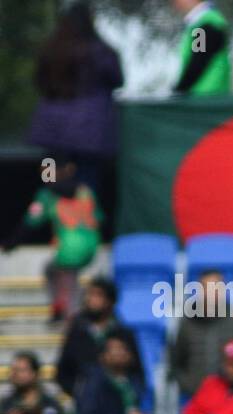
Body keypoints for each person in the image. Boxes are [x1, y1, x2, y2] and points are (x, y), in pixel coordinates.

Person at [28, 2, 123, 198]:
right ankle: (82, 226)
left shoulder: (50, 49)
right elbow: (117, 79)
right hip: (89, 132)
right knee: (86, 185)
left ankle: (50, 223)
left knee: (50, 182)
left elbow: (39, 81)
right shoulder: (99, 51)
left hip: (51, 130)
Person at [7, 158, 101, 328]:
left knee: (66, 280)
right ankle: (64, 312)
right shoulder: (85, 190)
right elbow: (100, 218)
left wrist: (11, 243)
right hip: (91, 245)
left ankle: (70, 318)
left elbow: (31, 222)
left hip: (69, 247)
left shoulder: (48, 193)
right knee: (56, 271)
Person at [168, 270, 233, 397]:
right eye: (207, 288)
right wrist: (188, 385)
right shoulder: (187, 323)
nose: (212, 293)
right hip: (196, 395)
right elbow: (176, 362)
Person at [57, 277, 141, 399]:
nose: (90, 299)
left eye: (97, 295)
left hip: (118, 404)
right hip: (87, 406)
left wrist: (130, 395)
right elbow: (63, 371)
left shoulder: (123, 334)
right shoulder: (76, 333)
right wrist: (79, 391)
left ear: (110, 301)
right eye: (89, 294)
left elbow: (137, 373)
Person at [171, 0, 232, 95]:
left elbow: (197, 63)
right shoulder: (201, 24)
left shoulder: (204, 25)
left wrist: (178, 90)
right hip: (204, 99)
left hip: (206, 100)